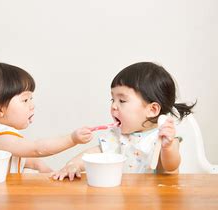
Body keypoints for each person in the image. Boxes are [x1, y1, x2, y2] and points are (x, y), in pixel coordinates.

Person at [52, 61, 196, 181]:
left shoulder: (163, 139)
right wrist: (73, 165)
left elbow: (170, 168)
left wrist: (168, 147)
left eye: (122, 100)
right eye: (112, 99)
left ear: (152, 110)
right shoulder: (118, 136)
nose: (113, 106)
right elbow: (94, 153)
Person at [0, 62, 93, 173]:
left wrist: (42, 168)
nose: (32, 105)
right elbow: (37, 149)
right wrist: (72, 139)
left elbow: (25, 157)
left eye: (31, 98)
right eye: (25, 100)